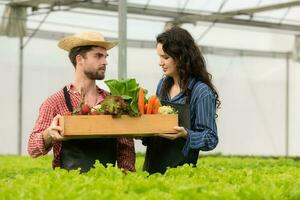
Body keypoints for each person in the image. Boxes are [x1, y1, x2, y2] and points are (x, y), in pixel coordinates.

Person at [28, 32, 135, 173]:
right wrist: (49, 133)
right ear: (80, 59)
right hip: (69, 188)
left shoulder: (114, 102)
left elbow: (125, 149)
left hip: (107, 187)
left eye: (105, 56)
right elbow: (32, 149)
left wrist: (126, 179)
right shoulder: (55, 102)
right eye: (98, 56)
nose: (105, 62)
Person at [143, 26, 220, 174]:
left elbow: (210, 138)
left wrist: (186, 134)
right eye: (159, 57)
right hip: (152, 169)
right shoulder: (163, 85)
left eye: (165, 57)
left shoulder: (201, 92)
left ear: (181, 57)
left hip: (181, 175)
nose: (160, 62)